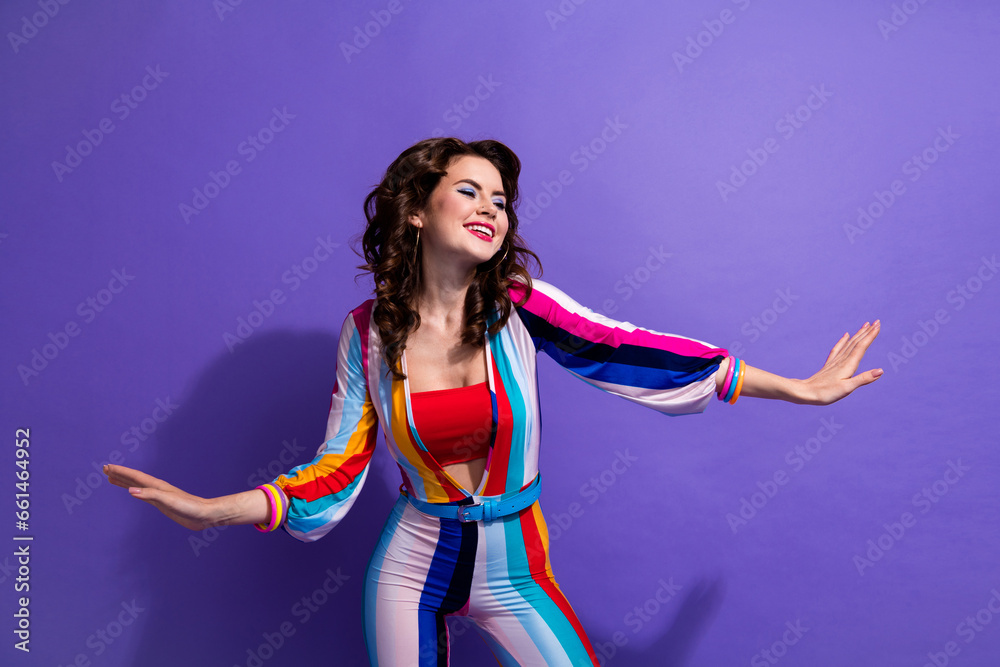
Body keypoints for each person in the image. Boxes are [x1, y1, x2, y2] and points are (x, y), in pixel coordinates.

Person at [104, 137, 882, 666]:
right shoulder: (368, 334)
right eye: (468, 190)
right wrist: (215, 510)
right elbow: (337, 467)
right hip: (411, 564)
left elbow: (630, 349)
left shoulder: (521, 304)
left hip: (516, 564)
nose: (491, 207)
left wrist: (796, 387)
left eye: (501, 200)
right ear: (416, 210)